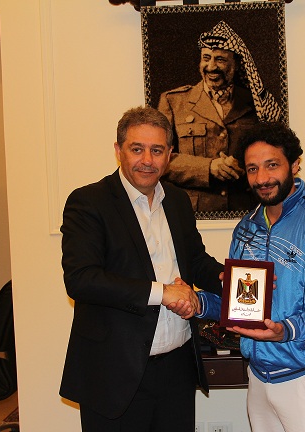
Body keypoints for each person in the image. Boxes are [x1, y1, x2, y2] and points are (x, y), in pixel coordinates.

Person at [59, 106, 224, 432]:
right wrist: (163, 293)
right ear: (118, 150)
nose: (147, 160)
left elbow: (195, 260)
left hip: (177, 369)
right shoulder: (89, 202)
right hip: (115, 373)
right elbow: (81, 279)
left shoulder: (177, 200)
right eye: (137, 149)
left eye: (157, 150)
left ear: (169, 155)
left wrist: (231, 280)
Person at [196, 121, 305, 432]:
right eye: (252, 169)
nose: (262, 178)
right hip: (258, 377)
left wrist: (286, 330)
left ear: (295, 165)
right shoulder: (245, 228)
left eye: (272, 165)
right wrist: (198, 302)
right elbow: (239, 303)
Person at [158, 20, 282, 215]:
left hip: (247, 214)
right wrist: (208, 167)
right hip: (194, 216)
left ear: (236, 64)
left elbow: (275, 154)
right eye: (206, 58)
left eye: (220, 60)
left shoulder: (255, 103)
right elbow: (160, 159)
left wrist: (243, 166)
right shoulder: (173, 101)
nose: (211, 67)